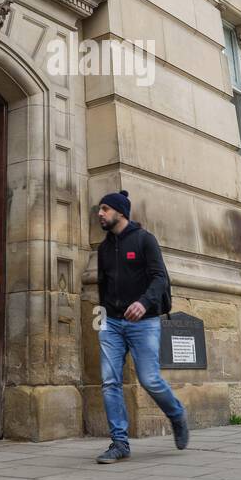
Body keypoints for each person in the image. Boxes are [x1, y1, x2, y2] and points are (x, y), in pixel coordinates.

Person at [93, 189, 189, 463]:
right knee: (110, 381)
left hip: (143, 322)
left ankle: (176, 414)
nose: (99, 214)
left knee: (149, 379)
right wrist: (100, 321)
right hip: (110, 322)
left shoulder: (145, 240)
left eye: (105, 209)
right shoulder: (102, 249)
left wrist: (144, 303)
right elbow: (102, 286)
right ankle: (119, 443)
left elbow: (160, 278)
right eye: (100, 210)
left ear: (120, 212)